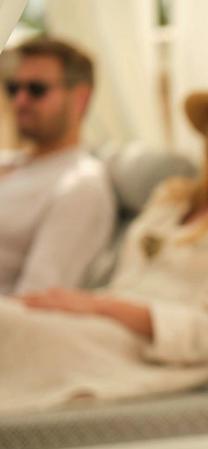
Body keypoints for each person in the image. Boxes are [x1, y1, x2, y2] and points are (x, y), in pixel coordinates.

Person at [0, 60, 208, 414]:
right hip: (98, 329)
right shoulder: (173, 197)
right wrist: (77, 304)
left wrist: (100, 306)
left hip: (147, 354)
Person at [0, 37, 115, 294]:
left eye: (36, 89)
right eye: (12, 88)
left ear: (80, 99)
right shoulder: (9, 163)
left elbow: (35, 302)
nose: (19, 101)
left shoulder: (80, 186)